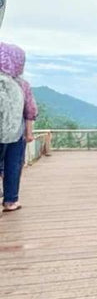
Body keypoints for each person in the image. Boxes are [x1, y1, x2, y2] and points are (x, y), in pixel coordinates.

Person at [0, 43, 37, 212]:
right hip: (15, 133)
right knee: (13, 166)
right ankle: (10, 201)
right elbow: (30, 111)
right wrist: (29, 133)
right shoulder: (22, 84)